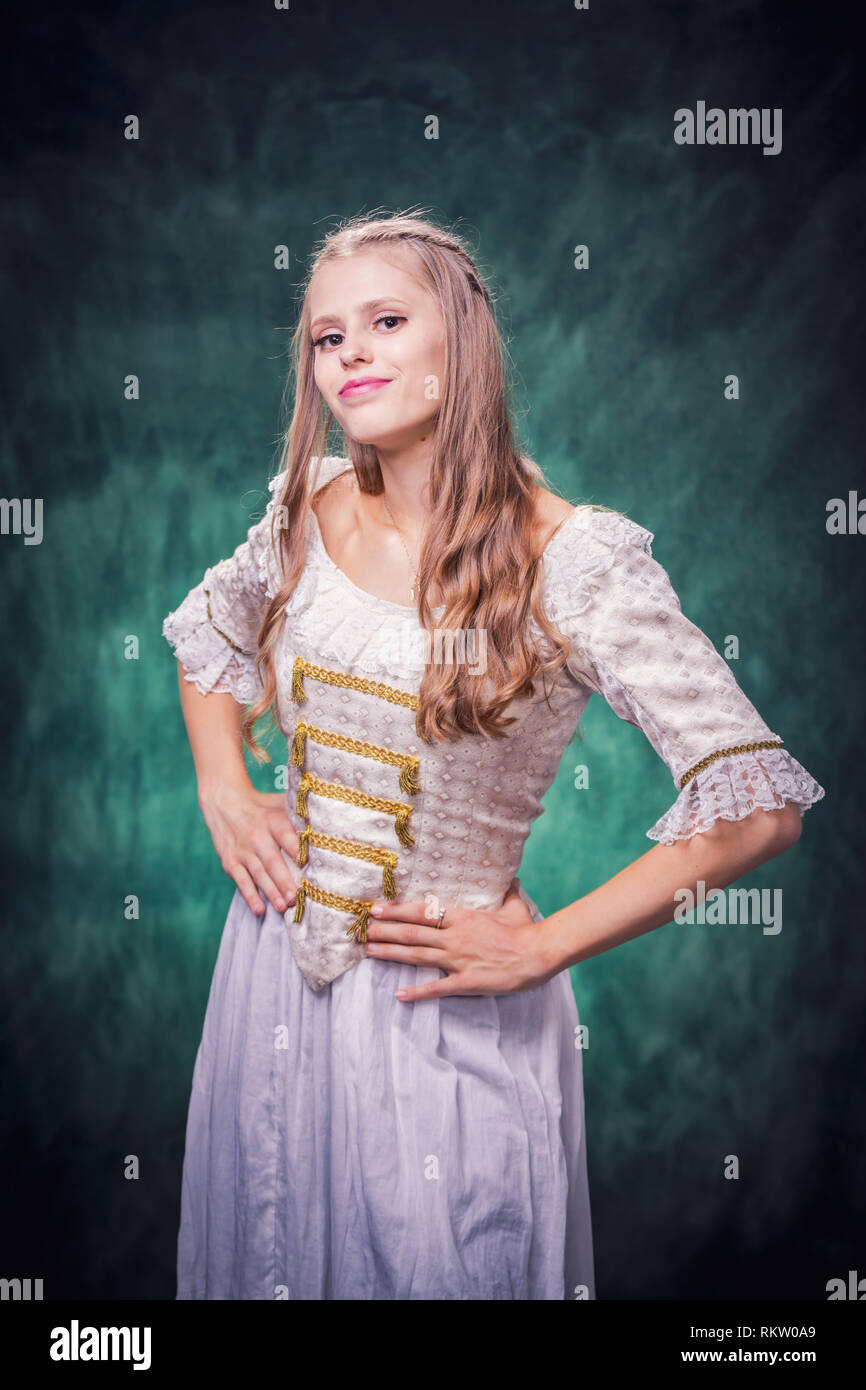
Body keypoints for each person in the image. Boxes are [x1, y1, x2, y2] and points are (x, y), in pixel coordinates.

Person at [162, 210, 825, 1301]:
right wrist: (224, 785)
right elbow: (209, 638)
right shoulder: (309, 501)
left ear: (457, 341)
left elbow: (756, 805)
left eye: (383, 320)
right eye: (327, 337)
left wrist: (544, 946)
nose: (351, 353)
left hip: (444, 1007)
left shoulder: (571, 561)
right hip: (269, 980)